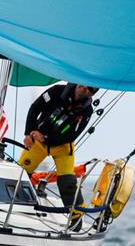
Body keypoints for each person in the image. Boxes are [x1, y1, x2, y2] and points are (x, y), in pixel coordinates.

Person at [20, 83, 98, 224]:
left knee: (67, 183)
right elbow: (35, 108)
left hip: (62, 146)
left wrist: (47, 138)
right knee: (20, 173)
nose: (85, 88)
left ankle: (76, 219)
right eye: (84, 85)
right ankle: (16, 206)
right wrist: (28, 133)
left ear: (92, 94)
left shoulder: (86, 110)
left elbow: (72, 136)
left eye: (90, 89)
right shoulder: (57, 91)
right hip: (38, 141)